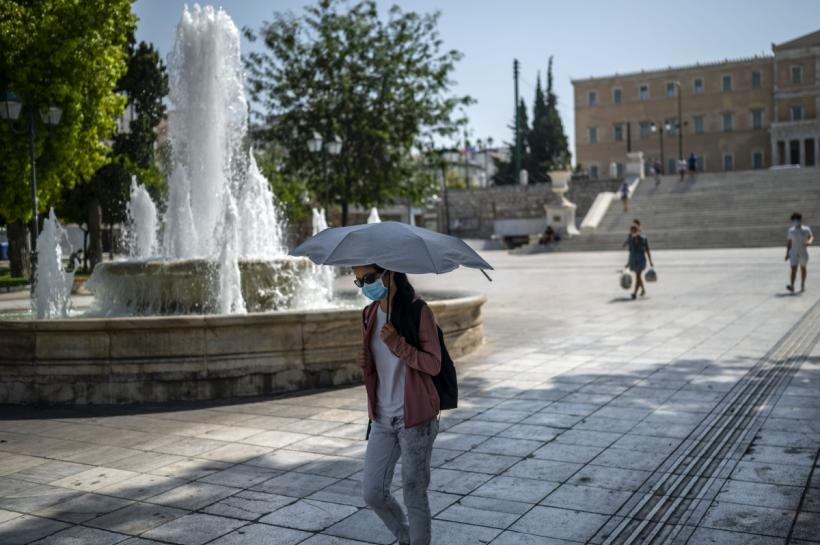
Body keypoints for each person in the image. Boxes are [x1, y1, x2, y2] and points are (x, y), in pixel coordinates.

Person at [354, 264, 441, 545]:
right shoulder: (369, 314)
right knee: (373, 492)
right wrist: (366, 364)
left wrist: (398, 344)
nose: (365, 286)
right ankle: (407, 536)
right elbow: (381, 366)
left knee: (414, 492)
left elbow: (433, 364)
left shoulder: (418, 311)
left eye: (369, 278)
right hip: (381, 416)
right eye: (359, 282)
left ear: (389, 273)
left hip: (415, 419)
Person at [785, 212, 814, 293]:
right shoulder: (791, 230)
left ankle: (802, 284)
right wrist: (787, 254)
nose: (795, 221)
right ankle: (792, 285)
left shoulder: (806, 229)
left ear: (800, 220)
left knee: (803, 268)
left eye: (797, 219)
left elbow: (811, 236)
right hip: (793, 252)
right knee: (793, 269)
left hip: (803, 251)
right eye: (794, 219)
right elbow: (789, 242)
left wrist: (809, 241)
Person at [625, 223, 653, 299]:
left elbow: (647, 249)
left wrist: (650, 261)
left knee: (638, 276)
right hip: (634, 260)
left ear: (637, 230)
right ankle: (643, 290)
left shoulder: (643, 238)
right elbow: (631, 251)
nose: (632, 233)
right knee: (638, 276)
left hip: (641, 260)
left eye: (633, 231)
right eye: (631, 231)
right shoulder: (631, 239)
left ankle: (634, 293)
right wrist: (628, 262)